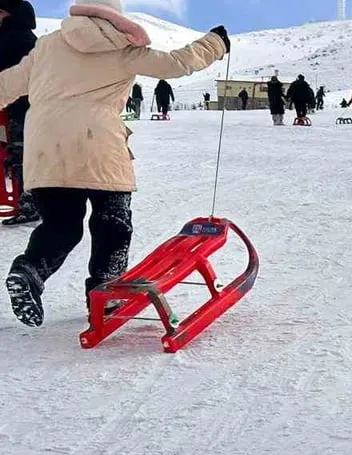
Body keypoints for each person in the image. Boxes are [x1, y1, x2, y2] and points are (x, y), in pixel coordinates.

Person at [0, 0, 227, 327]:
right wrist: (215, 42)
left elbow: (6, 86)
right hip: (98, 146)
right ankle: (106, 293)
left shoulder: (48, 45)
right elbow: (177, 63)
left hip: (45, 147)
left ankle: (29, 271)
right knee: (112, 222)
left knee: (60, 226)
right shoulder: (123, 46)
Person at [0, 0, 39, 226]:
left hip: (20, 107)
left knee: (21, 154)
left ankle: (29, 203)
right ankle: (30, 201)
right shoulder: (29, 40)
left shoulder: (13, 39)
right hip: (26, 107)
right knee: (24, 153)